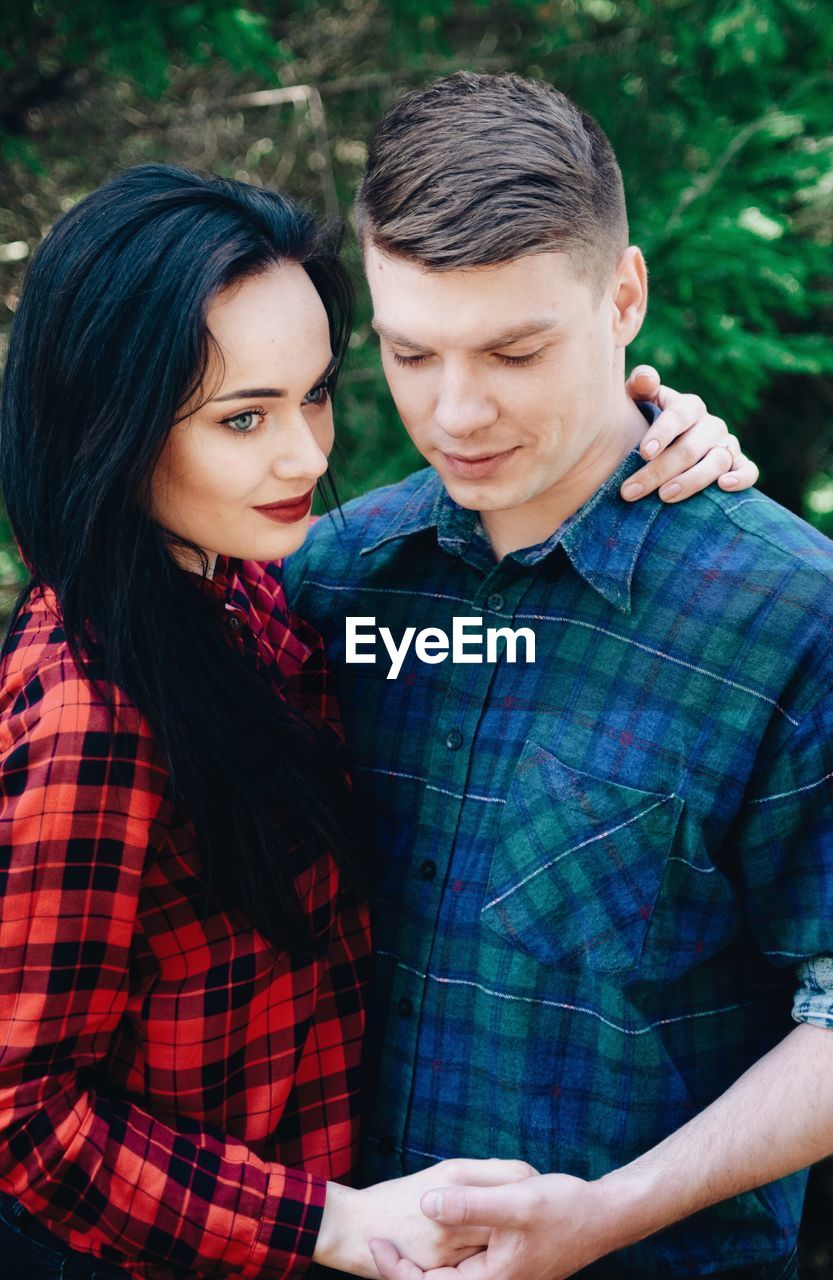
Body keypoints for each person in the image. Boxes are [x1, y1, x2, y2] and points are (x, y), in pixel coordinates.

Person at [0, 164, 746, 1279]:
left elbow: (484, 634)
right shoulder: (93, 708)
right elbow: (21, 1114)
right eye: (243, 417)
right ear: (109, 427)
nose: (306, 455)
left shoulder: (248, 591)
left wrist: (637, 430)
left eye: (314, 393)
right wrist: (326, 1222)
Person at [282, 73, 833, 1280]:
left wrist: (613, 1208)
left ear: (624, 295)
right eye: (411, 352)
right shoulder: (332, 583)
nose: (459, 408)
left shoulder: (795, 615)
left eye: (516, 349)